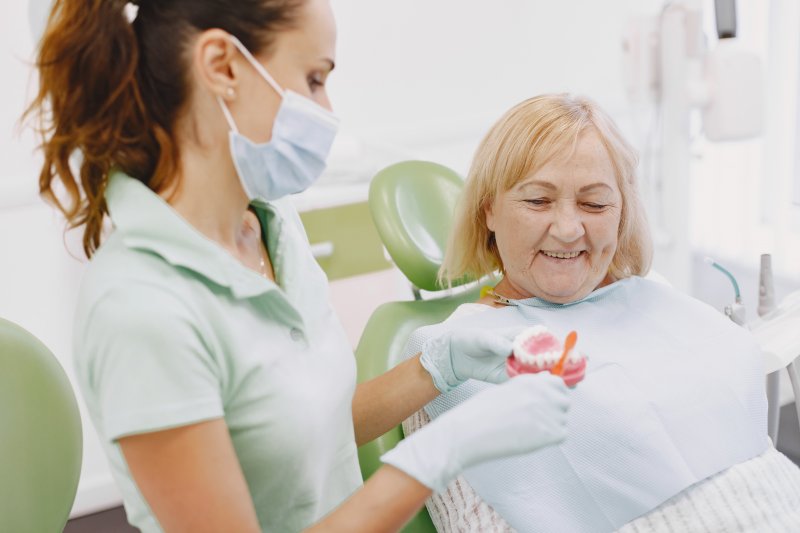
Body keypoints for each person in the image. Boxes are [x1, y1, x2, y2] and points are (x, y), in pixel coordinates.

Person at [24, 1, 575, 532]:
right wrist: (442, 452)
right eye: (314, 79)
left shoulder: (270, 228)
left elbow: (307, 430)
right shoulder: (141, 306)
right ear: (222, 66)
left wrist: (439, 364)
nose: (328, 112)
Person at [400, 93, 800, 533]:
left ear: (622, 212)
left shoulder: (654, 295)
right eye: (537, 201)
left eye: (594, 204)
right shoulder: (449, 360)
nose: (570, 229)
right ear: (489, 209)